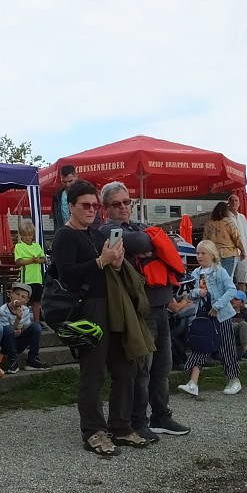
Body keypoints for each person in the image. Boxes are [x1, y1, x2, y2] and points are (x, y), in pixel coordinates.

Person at [52, 178, 146, 456]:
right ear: (71, 207)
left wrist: (116, 265)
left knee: (125, 367)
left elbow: (107, 271)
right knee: (93, 373)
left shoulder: (96, 234)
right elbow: (66, 274)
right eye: (85, 205)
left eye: (94, 205)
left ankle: (120, 426)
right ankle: (93, 431)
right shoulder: (65, 235)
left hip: (112, 305)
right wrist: (100, 262)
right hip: (88, 309)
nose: (91, 209)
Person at [100, 181, 190, 442]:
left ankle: (161, 415)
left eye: (127, 202)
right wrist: (154, 242)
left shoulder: (138, 226)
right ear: (106, 207)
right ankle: (137, 421)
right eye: (117, 204)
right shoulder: (107, 229)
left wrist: (153, 242)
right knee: (142, 370)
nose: (124, 207)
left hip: (162, 306)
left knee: (163, 367)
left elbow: (168, 245)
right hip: (139, 311)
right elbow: (139, 242)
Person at [178, 240, 241, 397]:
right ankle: (193, 383)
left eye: (203, 253)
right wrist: (197, 291)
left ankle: (234, 379)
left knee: (227, 347)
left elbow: (231, 290)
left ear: (211, 255)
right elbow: (189, 294)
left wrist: (217, 306)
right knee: (200, 345)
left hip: (222, 316)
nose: (199, 256)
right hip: (203, 315)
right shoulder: (195, 274)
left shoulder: (220, 272)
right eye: (198, 253)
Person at [0, 282, 47, 372]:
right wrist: (17, 320)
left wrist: (22, 330)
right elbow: (8, 333)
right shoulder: (2, 311)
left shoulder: (25, 309)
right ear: (11, 295)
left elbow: (25, 329)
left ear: (26, 301)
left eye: (23, 297)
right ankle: (13, 361)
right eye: (17, 294)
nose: (19, 298)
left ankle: (32, 359)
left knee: (36, 326)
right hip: (5, 344)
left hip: (19, 343)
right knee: (8, 329)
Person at [13, 219, 46, 323]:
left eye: (29, 235)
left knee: (37, 302)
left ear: (33, 235)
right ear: (21, 236)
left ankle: (37, 322)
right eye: (25, 235)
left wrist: (37, 261)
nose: (27, 237)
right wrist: (31, 260)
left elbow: (44, 259)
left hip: (37, 279)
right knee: (24, 301)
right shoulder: (19, 246)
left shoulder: (37, 246)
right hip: (26, 280)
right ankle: (23, 321)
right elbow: (18, 262)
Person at [203, 201, 244, 279]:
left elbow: (205, 241)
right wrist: (243, 250)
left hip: (213, 254)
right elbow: (236, 238)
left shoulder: (208, 224)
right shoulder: (229, 222)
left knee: (214, 279)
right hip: (228, 253)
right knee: (226, 279)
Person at [227, 193, 247, 290]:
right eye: (232, 200)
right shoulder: (225, 217)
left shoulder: (242, 217)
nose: (234, 203)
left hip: (244, 251)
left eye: (236, 200)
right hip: (230, 252)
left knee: (242, 278)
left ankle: (241, 302)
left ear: (239, 203)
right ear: (228, 203)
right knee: (228, 278)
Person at [50, 164, 78, 231]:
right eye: (64, 182)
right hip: (64, 233)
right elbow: (56, 218)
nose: (68, 185)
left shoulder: (84, 192)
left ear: (76, 177)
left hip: (82, 234)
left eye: (70, 181)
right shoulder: (57, 196)